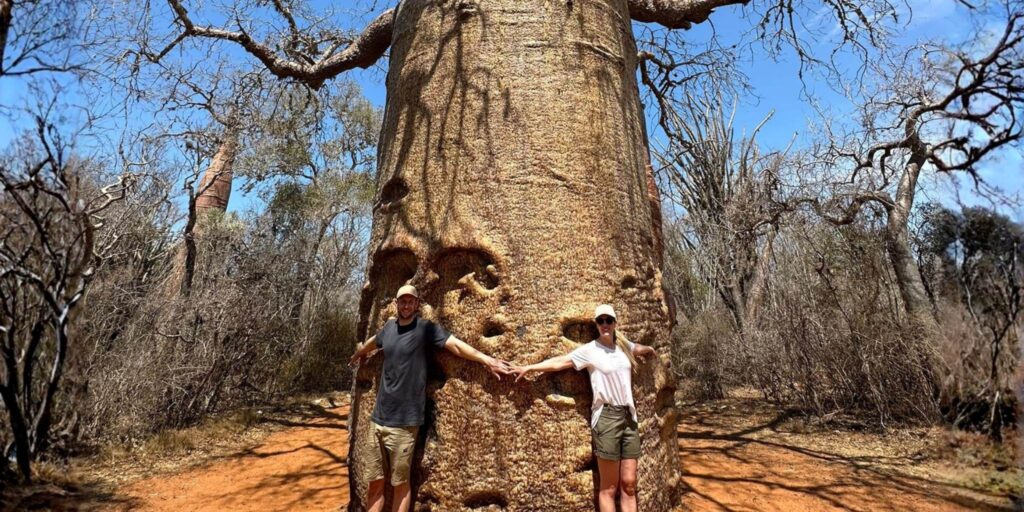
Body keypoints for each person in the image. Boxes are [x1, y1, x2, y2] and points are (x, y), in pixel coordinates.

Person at [349, 284, 513, 512]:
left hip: (405, 422)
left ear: (416, 304)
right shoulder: (388, 328)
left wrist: (487, 360)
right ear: (396, 304)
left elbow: (455, 346)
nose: (406, 305)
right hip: (378, 420)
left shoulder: (425, 329)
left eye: (410, 301)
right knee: (375, 484)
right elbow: (374, 341)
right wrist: (360, 353)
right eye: (402, 301)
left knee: (400, 484)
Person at [511, 304, 656, 512]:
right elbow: (561, 362)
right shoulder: (590, 350)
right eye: (600, 321)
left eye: (608, 320)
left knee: (630, 484)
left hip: (629, 417)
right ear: (596, 325)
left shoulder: (623, 345)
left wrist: (649, 349)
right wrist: (531, 367)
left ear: (615, 323)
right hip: (607, 418)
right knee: (609, 487)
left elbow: (636, 349)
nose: (605, 324)